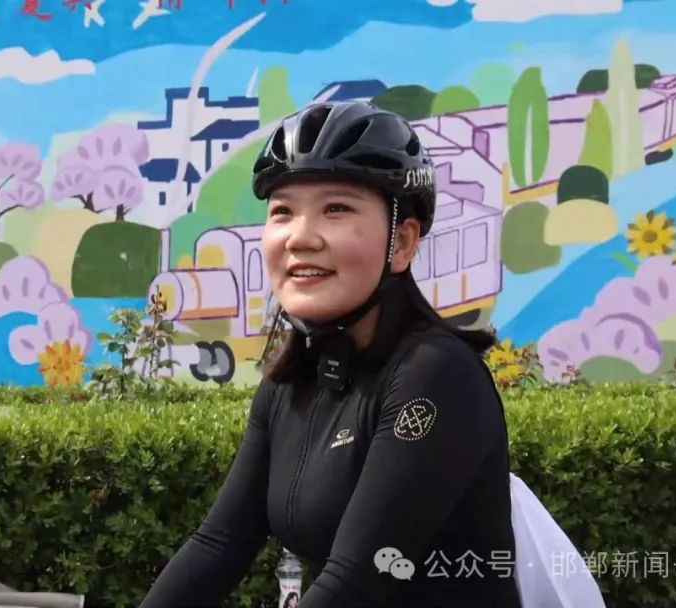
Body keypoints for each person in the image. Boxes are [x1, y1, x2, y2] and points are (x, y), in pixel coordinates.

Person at [138, 101, 522, 607]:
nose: (301, 237)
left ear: (403, 243)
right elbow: (219, 545)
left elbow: (354, 582)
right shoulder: (290, 381)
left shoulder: (436, 374)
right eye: (282, 211)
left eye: (336, 208)